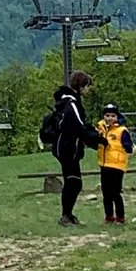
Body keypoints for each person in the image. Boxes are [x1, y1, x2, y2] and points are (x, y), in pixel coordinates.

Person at [49, 70, 106, 227]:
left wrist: (93, 134)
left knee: (73, 182)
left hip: (66, 148)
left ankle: (68, 214)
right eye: (87, 86)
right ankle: (65, 216)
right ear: (80, 86)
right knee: (73, 182)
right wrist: (97, 140)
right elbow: (79, 128)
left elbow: (81, 125)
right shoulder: (72, 104)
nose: (88, 90)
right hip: (67, 149)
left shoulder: (70, 101)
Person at [96, 104, 136, 225]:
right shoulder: (100, 128)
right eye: (107, 115)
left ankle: (120, 217)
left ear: (117, 116)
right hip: (104, 164)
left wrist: (132, 148)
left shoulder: (121, 130)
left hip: (117, 165)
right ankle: (109, 216)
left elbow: (128, 145)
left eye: (113, 115)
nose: (110, 118)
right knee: (106, 192)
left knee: (115, 192)